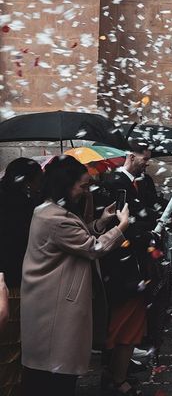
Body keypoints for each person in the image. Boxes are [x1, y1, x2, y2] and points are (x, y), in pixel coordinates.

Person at [20, 156, 129, 396]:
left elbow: (80, 238)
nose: (86, 191)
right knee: (55, 373)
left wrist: (102, 221)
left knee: (50, 370)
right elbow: (93, 249)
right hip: (55, 304)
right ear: (65, 185)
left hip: (51, 299)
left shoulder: (52, 210)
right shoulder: (55, 218)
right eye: (83, 186)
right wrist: (121, 227)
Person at [99, 143, 172, 393]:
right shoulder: (115, 182)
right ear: (131, 156)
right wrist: (170, 221)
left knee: (140, 312)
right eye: (144, 158)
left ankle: (121, 367)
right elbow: (138, 216)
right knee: (124, 315)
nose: (147, 162)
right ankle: (115, 373)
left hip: (144, 258)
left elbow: (157, 203)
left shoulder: (144, 181)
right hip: (125, 261)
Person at [0, 157, 43, 396]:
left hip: (3, 276)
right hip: (13, 279)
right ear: (27, 182)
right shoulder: (24, 206)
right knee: (11, 345)